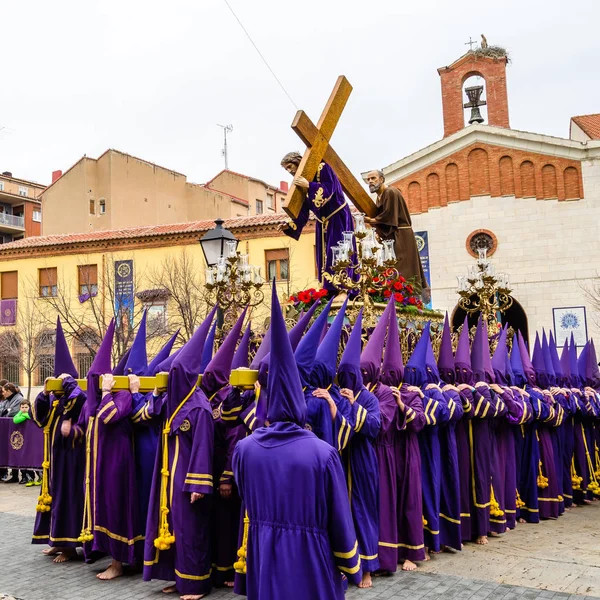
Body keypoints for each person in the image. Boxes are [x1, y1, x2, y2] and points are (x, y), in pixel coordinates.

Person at [233, 284, 362, 599]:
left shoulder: (244, 449)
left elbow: (245, 492)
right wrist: (353, 565)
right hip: (309, 557)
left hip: (262, 554)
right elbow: (339, 519)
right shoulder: (322, 454)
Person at [143, 307, 216, 600]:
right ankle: (177, 577)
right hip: (167, 479)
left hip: (187, 482)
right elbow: (150, 414)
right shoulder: (176, 402)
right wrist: (156, 394)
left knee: (191, 531)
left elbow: (203, 447)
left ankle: (195, 583)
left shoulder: (199, 408)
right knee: (171, 526)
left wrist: (198, 484)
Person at [67, 320, 144, 579]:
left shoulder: (120, 395)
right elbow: (83, 426)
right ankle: (101, 553)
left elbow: (109, 416)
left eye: (98, 379)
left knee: (117, 508)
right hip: (95, 468)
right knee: (101, 509)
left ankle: (119, 563)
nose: (94, 384)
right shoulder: (92, 400)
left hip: (115, 463)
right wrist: (71, 430)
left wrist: (109, 392)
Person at [363, 299, 426, 572]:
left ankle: (412, 552)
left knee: (409, 500)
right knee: (387, 501)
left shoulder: (411, 393)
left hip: (407, 452)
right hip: (386, 451)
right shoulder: (377, 393)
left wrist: (402, 406)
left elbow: (420, 421)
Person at [31, 317, 86, 560]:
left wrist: (69, 384)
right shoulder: (54, 399)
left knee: (67, 499)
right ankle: (54, 539)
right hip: (54, 459)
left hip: (71, 460)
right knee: (53, 497)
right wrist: (43, 393)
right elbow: (40, 419)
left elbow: (80, 399)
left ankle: (68, 546)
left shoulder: (77, 397)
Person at [337, 309, 381, 588]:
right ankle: (347, 565)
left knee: (363, 511)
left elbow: (374, 427)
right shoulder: (338, 394)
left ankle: (368, 568)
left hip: (363, 463)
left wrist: (353, 406)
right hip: (343, 461)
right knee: (343, 512)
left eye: (348, 376)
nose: (344, 381)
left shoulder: (369, 398)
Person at [279, 151, 356, 295]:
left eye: (290, 167)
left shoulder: (323, 167)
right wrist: (289, 225)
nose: (290, 171)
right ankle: (329, 290)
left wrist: (309, 185)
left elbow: (330, 188)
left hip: (338, 216)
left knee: (340, 252)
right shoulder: (299, 182)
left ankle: (344, 288)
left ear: (298, 162)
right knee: (324, 256)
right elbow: (302, 210)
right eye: (286, 169)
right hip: (322, 222)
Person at [363, 170, 429, 300]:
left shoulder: (390, 192)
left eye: (373, 178)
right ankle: (397, 296)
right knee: (393, 268)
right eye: (368, 179)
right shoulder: (380, 196)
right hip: (394, 235)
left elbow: (389, 216)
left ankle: (408, 298)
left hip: (402, 236)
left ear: (382, 179)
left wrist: (372, 221)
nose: (370, 181)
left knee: (403, 269)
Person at [1, 382, 26, 483]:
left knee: (19, 451)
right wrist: (6, 411)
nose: (2, 393)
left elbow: (13, 412)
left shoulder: (19, 399)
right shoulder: (7, 401)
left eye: (4, 391)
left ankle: (25, 475)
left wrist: (6, 411)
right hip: (9, 429)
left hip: (18, 429)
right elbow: (2, 410)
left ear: (9, 391)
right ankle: (15, 475)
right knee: (12, 452)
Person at [13, 399, 40, 487]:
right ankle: (30, 478)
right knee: (27, 458)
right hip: (25, 440)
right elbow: (15, 420)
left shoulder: (30, 414)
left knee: (35, 458)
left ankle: (40, 477)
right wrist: (23, 414)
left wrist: (25, 415)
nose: (24, 409)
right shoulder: (21, 413)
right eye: (22, 407)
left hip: (33, 439)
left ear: (29, 407)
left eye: (26, 407)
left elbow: (30, 417)